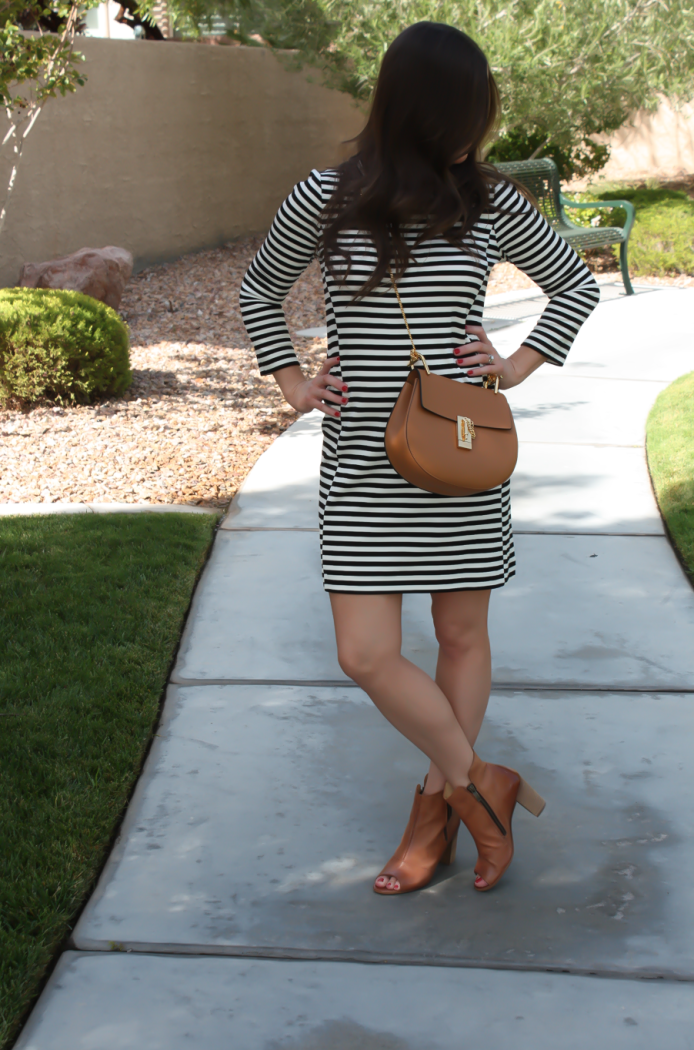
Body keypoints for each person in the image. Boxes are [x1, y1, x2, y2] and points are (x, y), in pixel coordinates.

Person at [240, 21, 599, 895]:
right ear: (437, 111)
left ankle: (434, 811)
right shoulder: (326, 196)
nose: (479, 127)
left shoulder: (489, 202)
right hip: (362, 460)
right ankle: (483, 783)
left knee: (459, 633)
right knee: (364, 652)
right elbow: (260, 288)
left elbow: (574, 282)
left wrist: (512, 363)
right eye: (473, 110)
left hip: (461, 451)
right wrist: (291, 382)